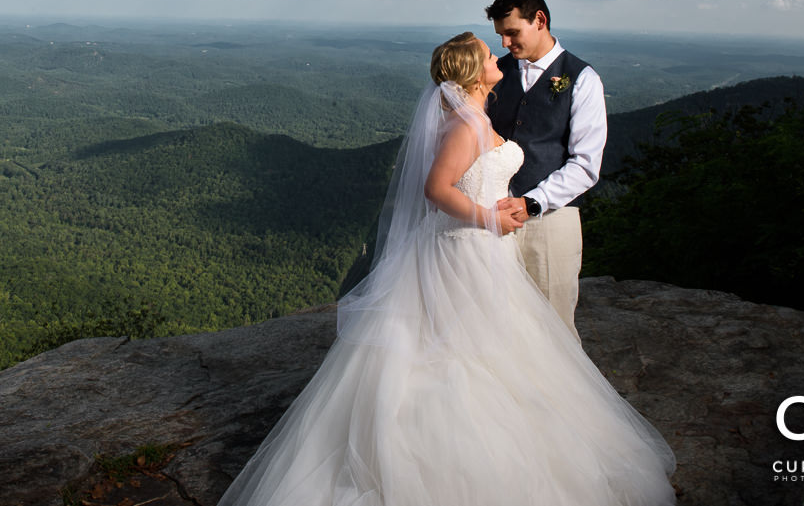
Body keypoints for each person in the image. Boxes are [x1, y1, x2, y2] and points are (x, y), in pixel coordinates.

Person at [217, 32, 675, 506]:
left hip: (483, 249)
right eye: (488, 53)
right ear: (476, 73)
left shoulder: (475, 117)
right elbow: (436, 190)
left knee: (495, 349)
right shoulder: (465, 126)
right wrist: (491, 219)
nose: (499, 54)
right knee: (462, 354)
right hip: (465, 249)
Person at [486, 0, 606, 342]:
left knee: (555, 325)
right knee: (498, 322)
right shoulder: (494, 73)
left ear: (540, 20)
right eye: (500, 36)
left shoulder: (583, 79)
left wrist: (532, 202)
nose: (505, 44)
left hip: (552, 222)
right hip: (494, 219)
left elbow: (585, 164)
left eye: (512, 32)